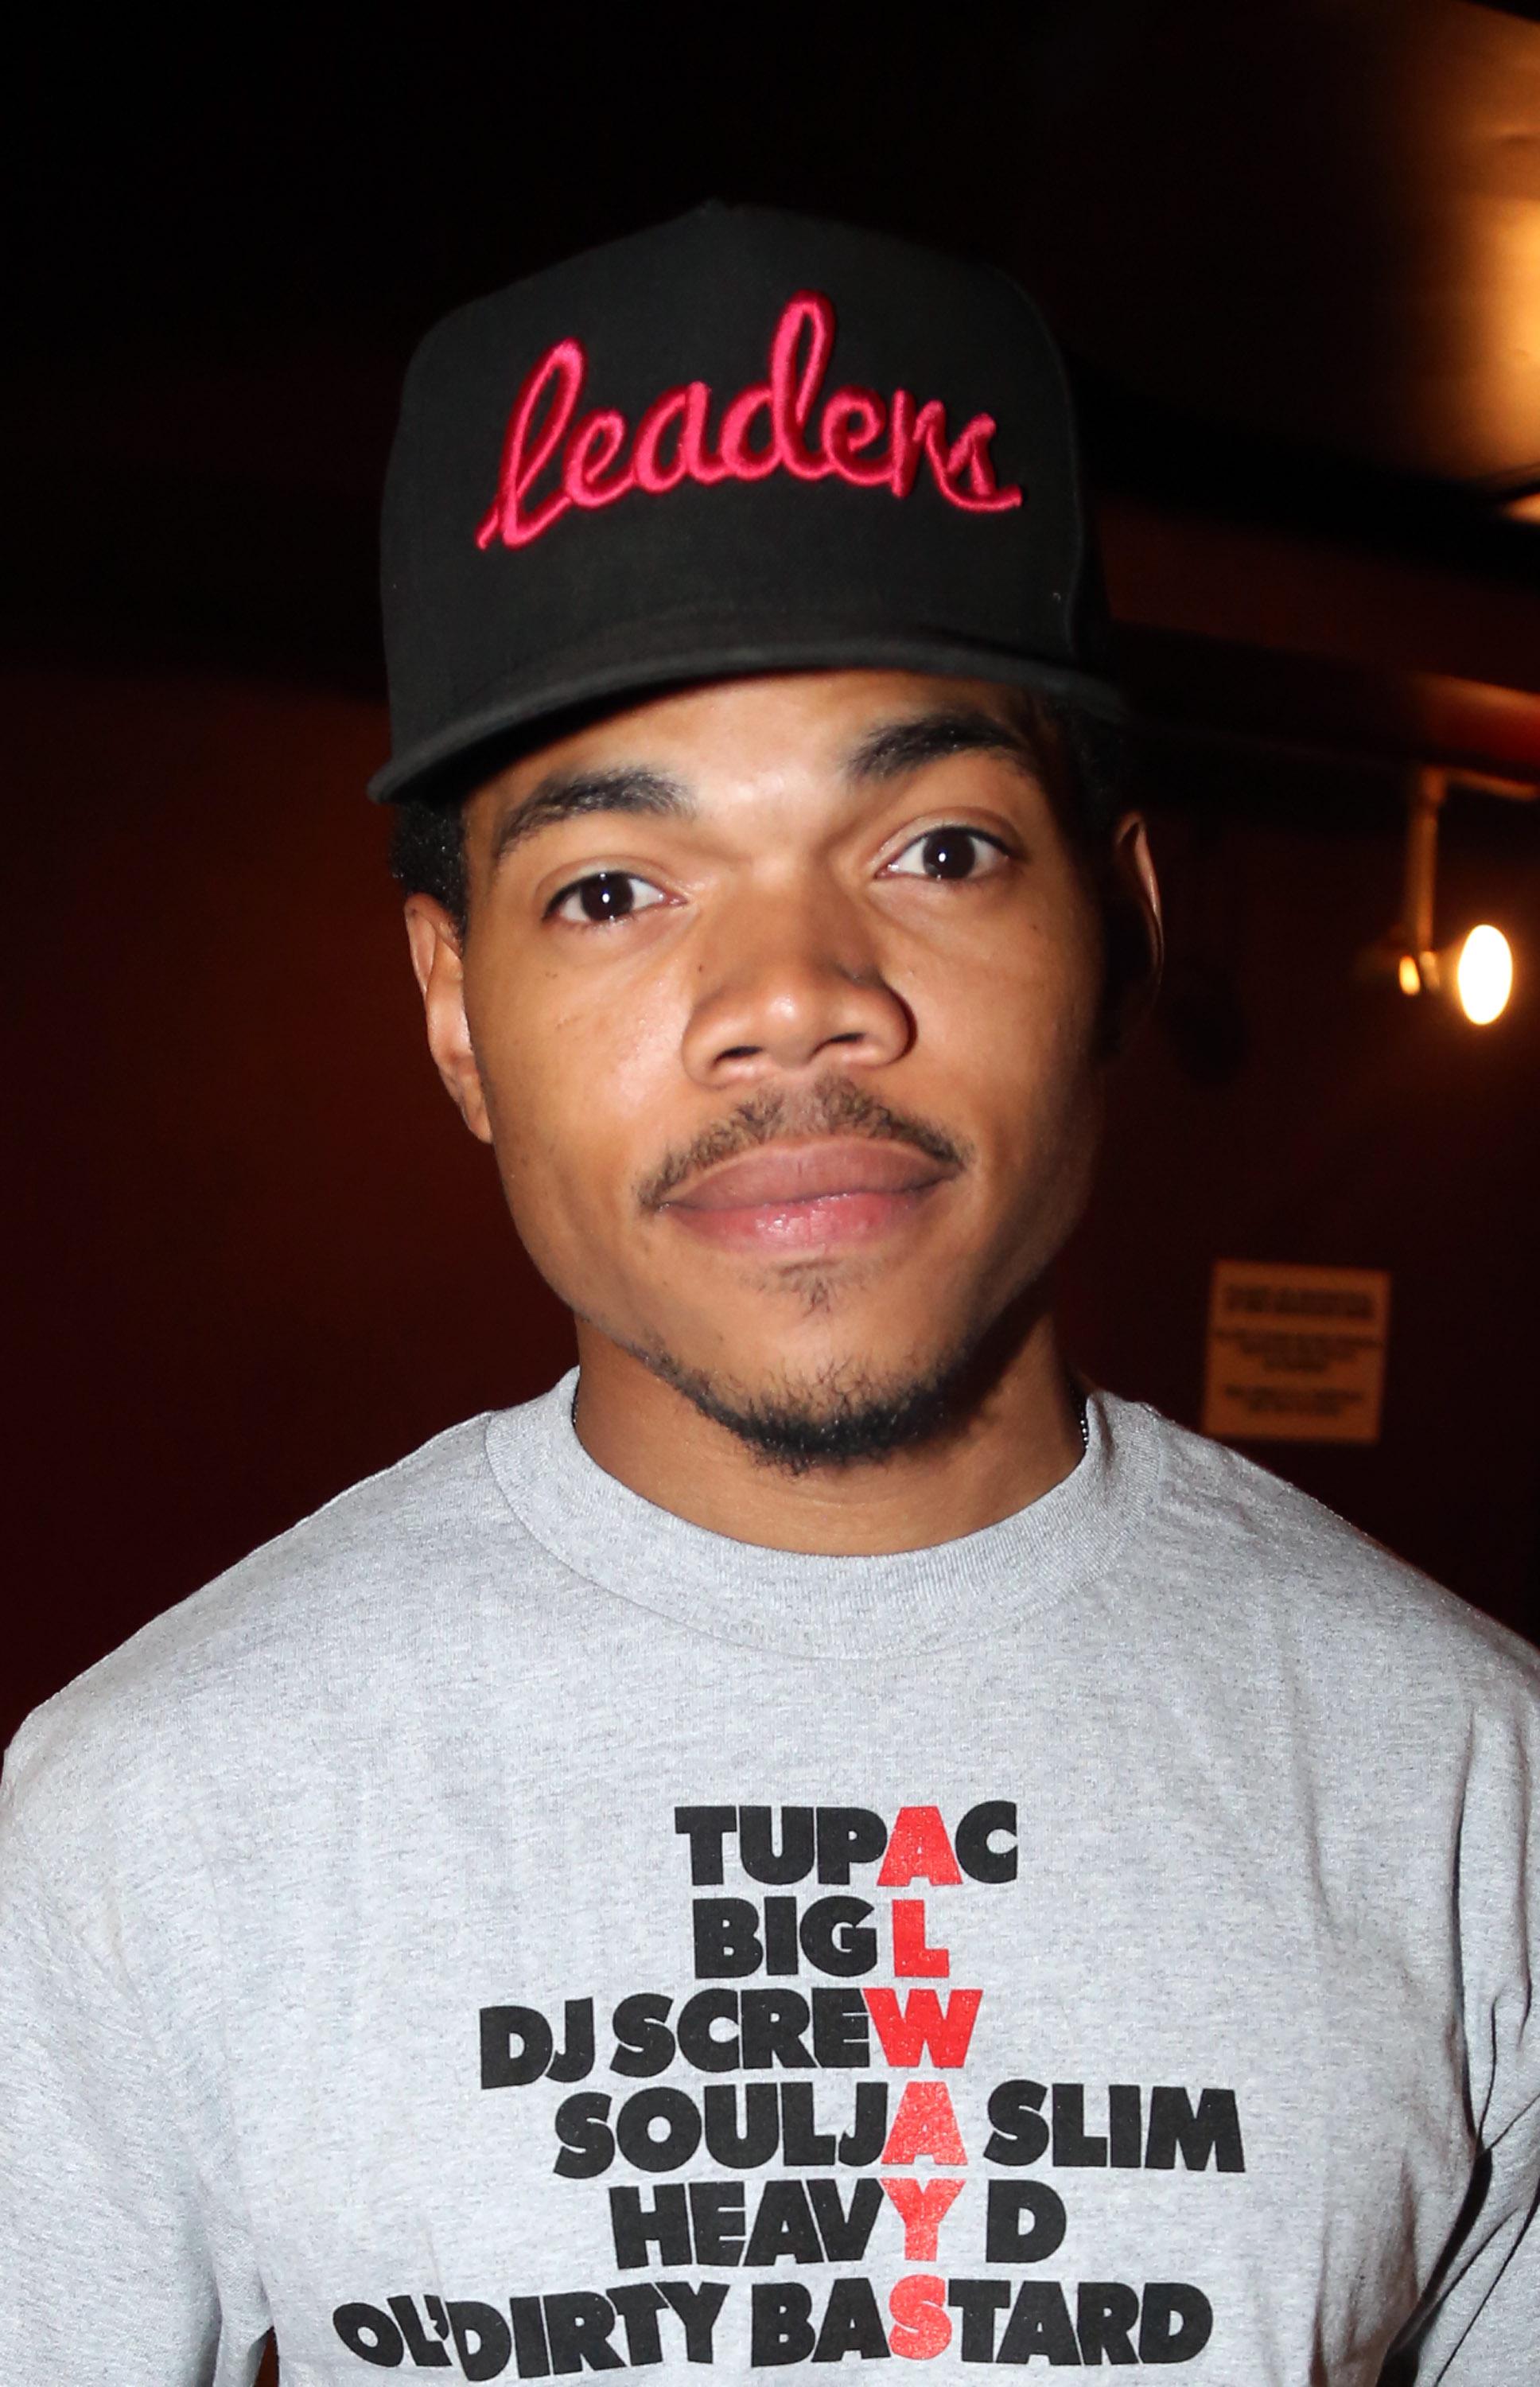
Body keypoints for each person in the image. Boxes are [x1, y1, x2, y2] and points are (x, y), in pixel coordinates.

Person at [2, 204, 1535, 2387]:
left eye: (937, 850)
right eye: (614, 887)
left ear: (1122, 930)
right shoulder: (142, 1822)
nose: (793, 997)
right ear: (453, 1015)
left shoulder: (1475, 1793)